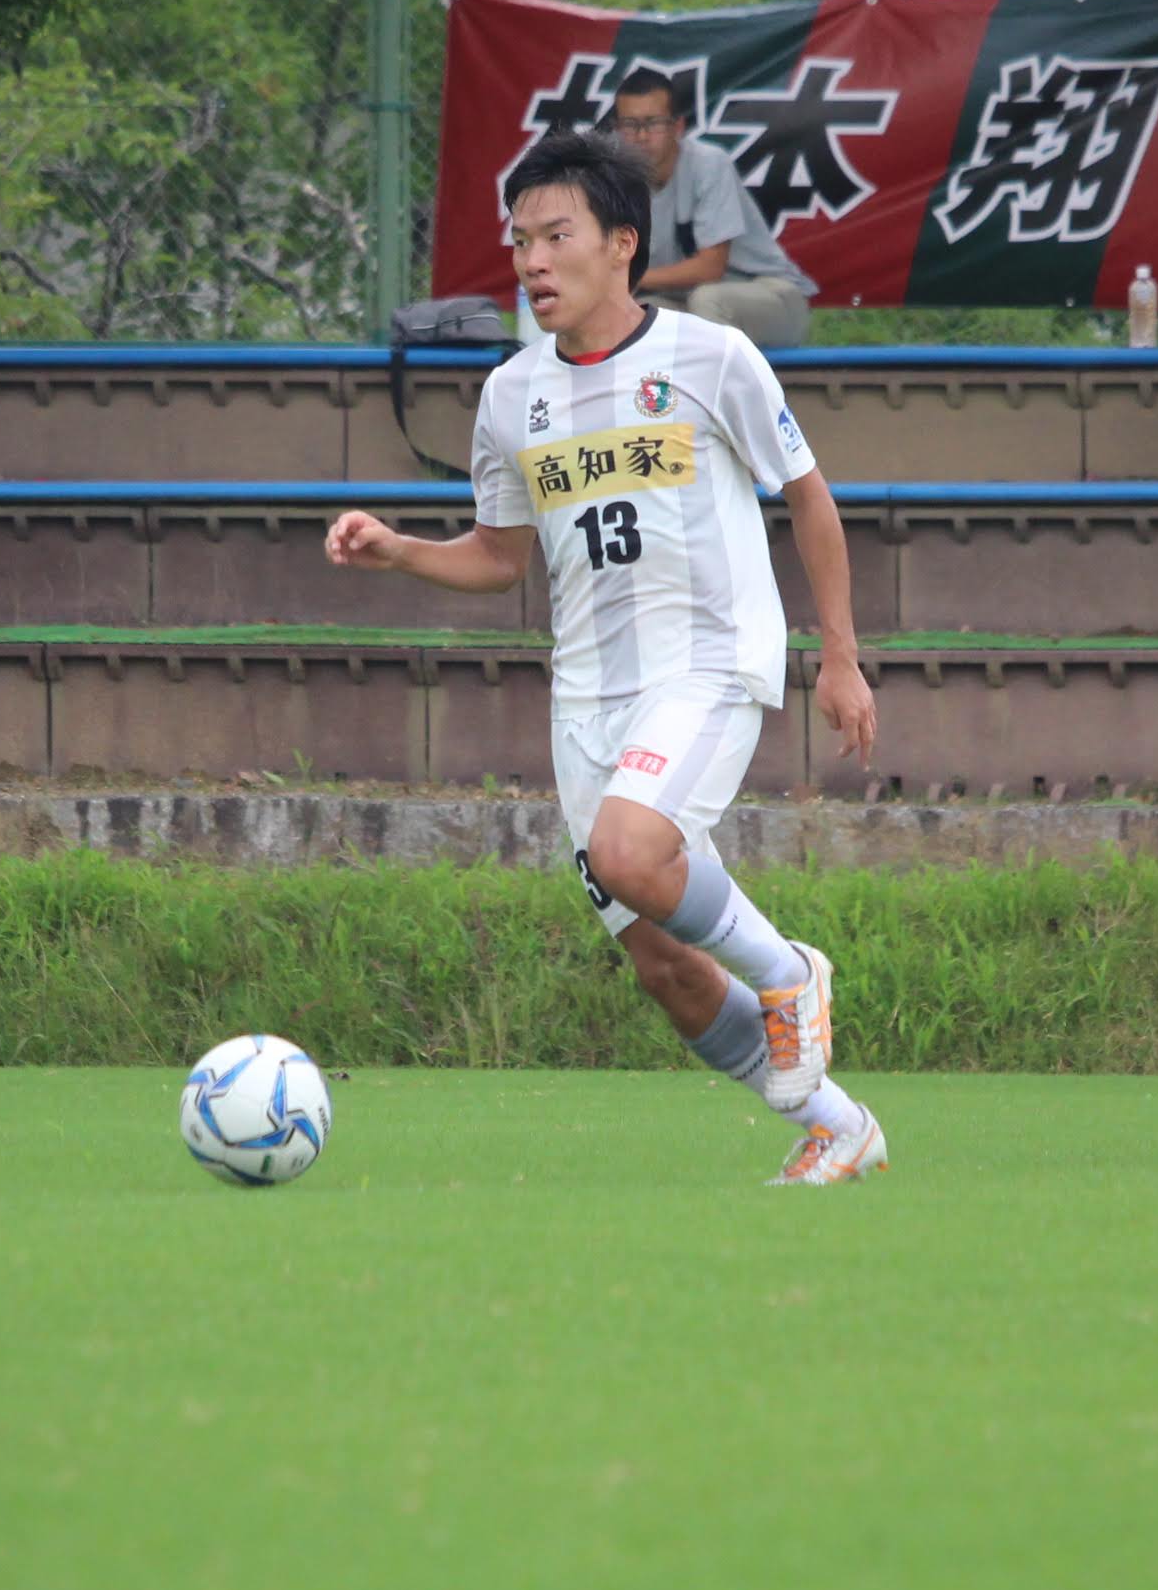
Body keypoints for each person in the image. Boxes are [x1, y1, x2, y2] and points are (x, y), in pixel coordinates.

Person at [324, 128, 889, 1185]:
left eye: (556, 237)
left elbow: (809, 496)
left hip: (709, 662)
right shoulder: (510, 395)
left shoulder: (712, 358)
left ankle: (789, 972)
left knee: (631, 854)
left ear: (622, 243)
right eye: (519, 241)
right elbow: (501, 556)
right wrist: (399, 551)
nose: (532, 262)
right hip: (585, 698)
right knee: (663, 966)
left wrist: (840, 657)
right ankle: (839, 1126)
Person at [606, 67, 818, 349]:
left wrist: (629, 278)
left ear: (678, 127)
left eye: (653, 123)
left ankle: (726, 380)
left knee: (708, 300)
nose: (642, 136)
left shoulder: (708, 163)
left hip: (772, 296)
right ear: (617, 130)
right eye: (630, 125)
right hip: (688, 302)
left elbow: (710, 268)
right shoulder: (615, 180)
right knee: (640, 314)